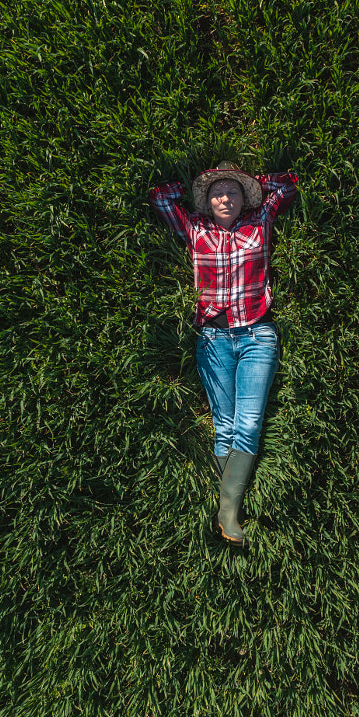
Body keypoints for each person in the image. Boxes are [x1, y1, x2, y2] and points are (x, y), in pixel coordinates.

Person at [149, 160, 299, 546]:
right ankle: (228, 512)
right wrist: (197, 187)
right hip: (213, 339)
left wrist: (254, 184)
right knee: (226, 426)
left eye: (233, 191)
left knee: (248, 424)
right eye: (217, 192)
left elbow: (287, 185)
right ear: (207, 200)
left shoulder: (258, 221)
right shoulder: (195, 228)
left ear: (244, 197)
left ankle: (226, 511)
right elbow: (160, 197)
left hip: (257, 334)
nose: (225, 198)